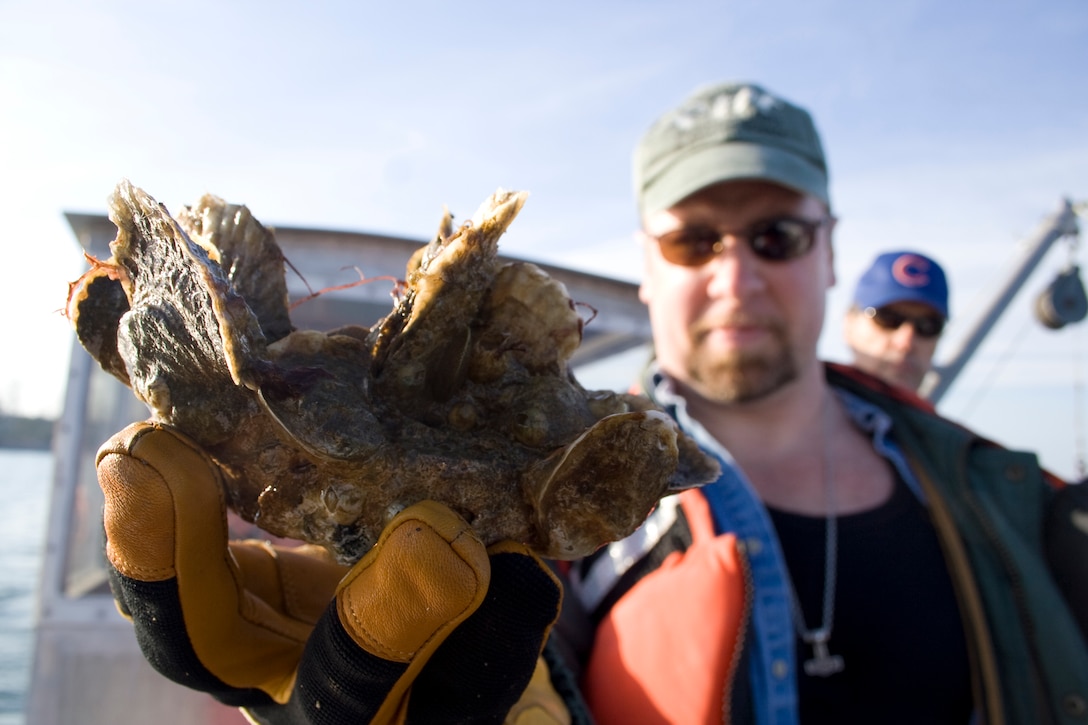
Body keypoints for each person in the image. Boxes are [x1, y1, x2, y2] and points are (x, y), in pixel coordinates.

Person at [93, 81, 1088, 725]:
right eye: (693, 239)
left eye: (776, 234)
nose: (735, 275)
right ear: (645, 266)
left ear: (829, 247)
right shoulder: (578, 545)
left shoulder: (1020, 504)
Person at [842, 250, 949, 391]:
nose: (906, 341)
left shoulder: (923, 413)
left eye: (928, 325)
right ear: (849, 324)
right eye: (888, 318)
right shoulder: (809, 408)